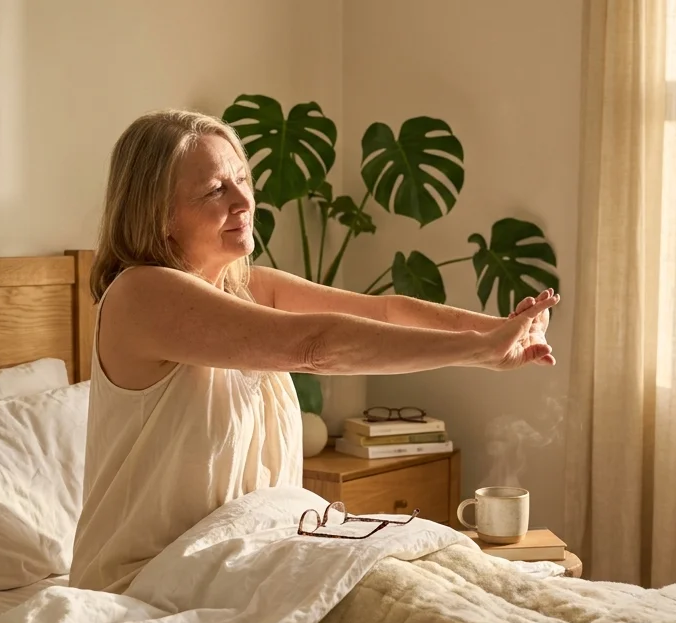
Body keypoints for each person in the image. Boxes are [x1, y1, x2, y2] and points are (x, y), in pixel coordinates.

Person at [69, 109, 559, 593]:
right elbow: (314, 346)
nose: (244, 200)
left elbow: (382, 312)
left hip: (240, 560)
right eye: (216, 189)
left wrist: (501, 330)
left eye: (242, 179)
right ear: (158, 216)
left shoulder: (245, 287)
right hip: (145, 582)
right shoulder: (141, 295)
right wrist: (477, 350)